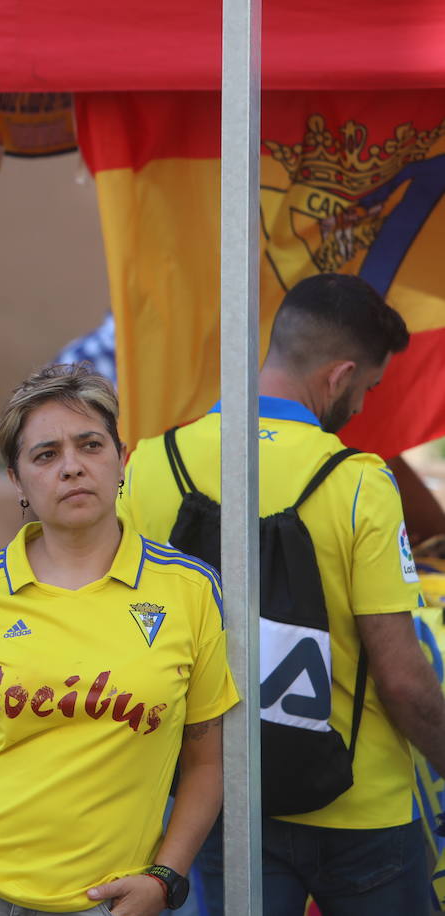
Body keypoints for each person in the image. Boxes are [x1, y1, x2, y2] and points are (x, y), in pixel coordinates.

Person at [120, 272, 445, 914]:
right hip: (360, 806)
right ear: (339, 375)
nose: (361, 407)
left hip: (215, 793)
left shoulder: (151, 463)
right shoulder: (359, 481)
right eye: (367, 388)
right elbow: (403, 680)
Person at [0, 364, 238, 916]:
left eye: (90, 445)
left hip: (101, 900)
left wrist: (165, 878)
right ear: (17, 480)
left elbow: (206, 763)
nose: (71, 466)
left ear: (122, 458)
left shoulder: (191, 591)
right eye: (46, 455)